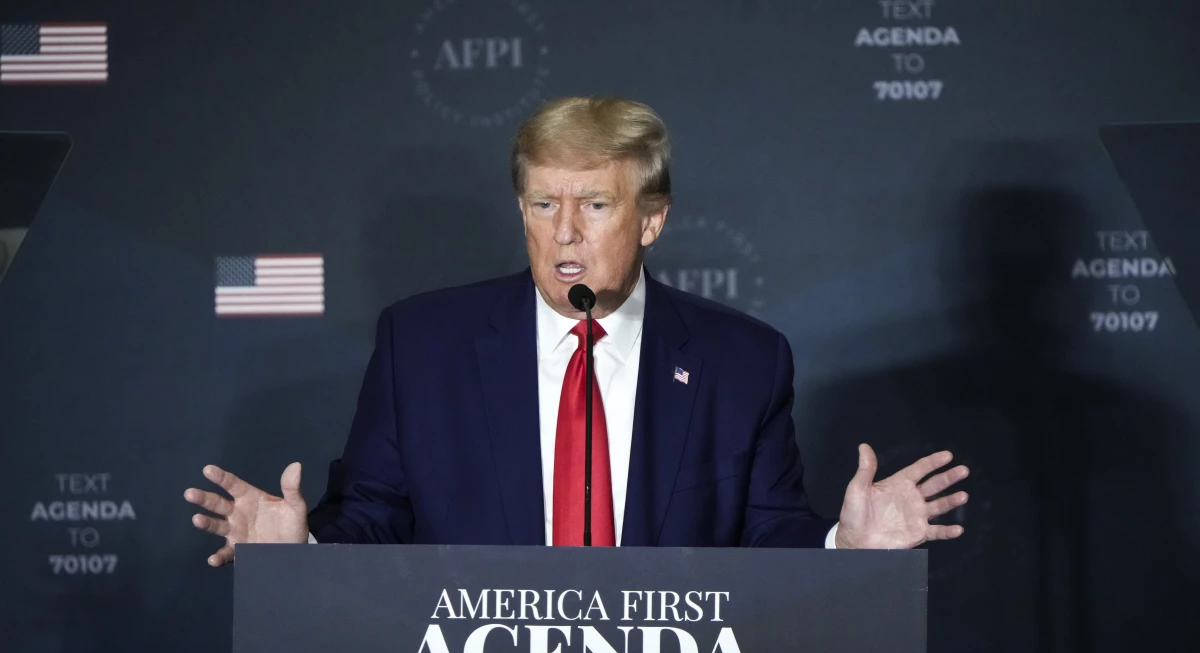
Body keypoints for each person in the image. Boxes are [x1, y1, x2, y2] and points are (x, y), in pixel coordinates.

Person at [184, 96, 969, 564]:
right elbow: (375, 517)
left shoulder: (743, 361)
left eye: (594, 205)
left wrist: (843, 551)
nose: (565, 235)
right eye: (542, 205)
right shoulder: (421, 346)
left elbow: (766, 540)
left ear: (652, 219)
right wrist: (304, 554)